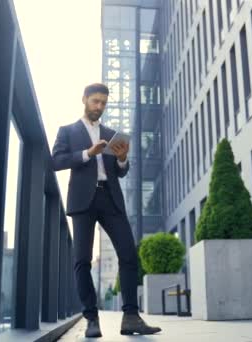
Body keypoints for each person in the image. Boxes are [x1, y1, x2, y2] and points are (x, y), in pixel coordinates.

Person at [52, 83, 161, 338]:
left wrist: (123, 158)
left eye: (103, 103)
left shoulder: (112, 134)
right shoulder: (67, 131)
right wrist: (88, 153)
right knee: (81, 260)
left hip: (110, 198)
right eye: (95, 101)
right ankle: (91, 318)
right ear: (84, 100)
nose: (99, 107)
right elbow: (56, 161)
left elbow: (120, 171)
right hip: (83, 201)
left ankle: (131, 317)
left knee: (128, 254)